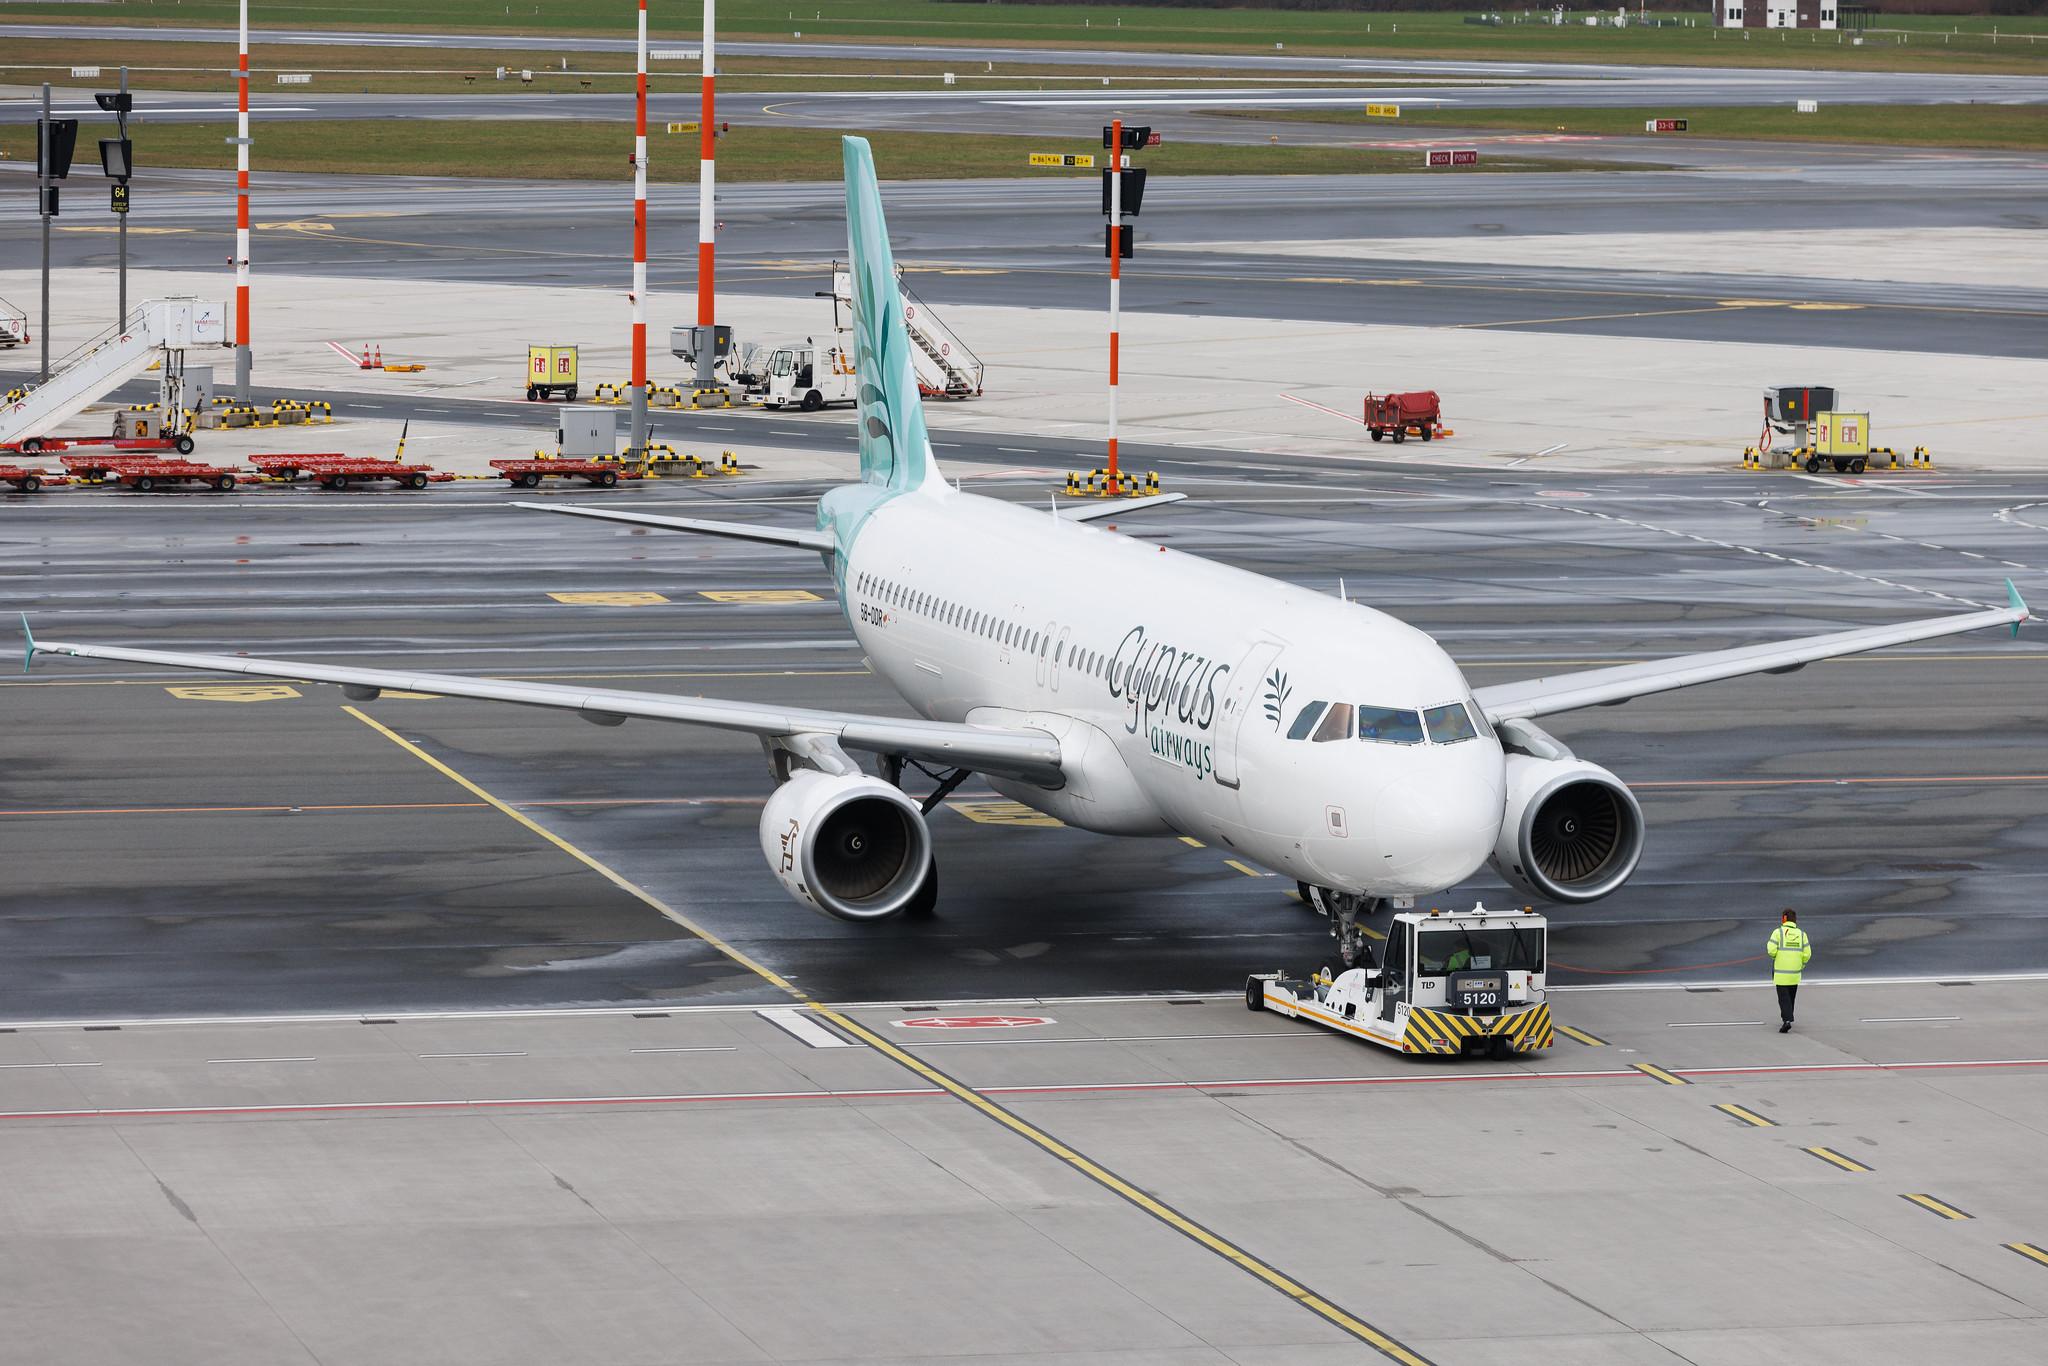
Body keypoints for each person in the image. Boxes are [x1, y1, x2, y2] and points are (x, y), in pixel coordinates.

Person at [1766, 909, 1812, 1033]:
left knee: (1783, 998)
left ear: (1784, 919)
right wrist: (1801, 964)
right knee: (1791, 996)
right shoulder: (1802, 934)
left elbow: (1771, 950)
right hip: (1795, 973)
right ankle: (1788, 1016)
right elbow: (1807, 954)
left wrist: (1777, 957)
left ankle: (1787, 1020)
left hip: (1781, 972)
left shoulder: (1778, 932)